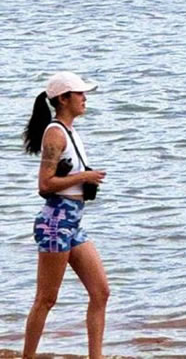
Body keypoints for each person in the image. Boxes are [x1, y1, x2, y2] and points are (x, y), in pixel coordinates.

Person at [22, 72, 109, 359]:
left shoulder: (69, 131)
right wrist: (84, 176)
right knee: (46, 299)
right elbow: (44, 185)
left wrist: (83, 180)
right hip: (56, 221)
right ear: (63, 99)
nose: (85, 98)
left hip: (72, 222)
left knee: (101, 292)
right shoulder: (56, 133)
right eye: (80, 93)